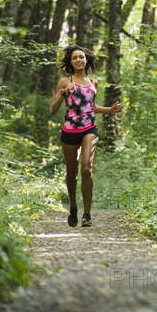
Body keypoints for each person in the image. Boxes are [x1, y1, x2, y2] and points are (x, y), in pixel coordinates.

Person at [49, 45, 122, 227]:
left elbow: (91, 107)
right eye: (75, 58)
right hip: (69, 131)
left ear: (87, 60)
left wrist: (110, 110)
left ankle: (87, 214)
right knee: (71, 173)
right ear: (71, 62)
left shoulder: (93, 82)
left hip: (89, 129)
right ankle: (73, 207)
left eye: (81, 57)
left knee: (86, 169)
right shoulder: (64, 82)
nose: (79, 60)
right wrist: (64, 92)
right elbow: (52, 110)